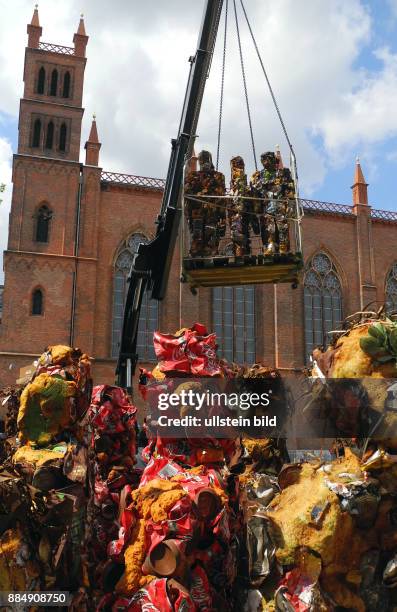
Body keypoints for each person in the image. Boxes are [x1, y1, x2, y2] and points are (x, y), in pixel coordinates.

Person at [184, 150, 226, 257]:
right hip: (199, 213)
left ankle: (208, 255)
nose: (203, 162)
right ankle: (197, 255)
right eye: (202, 160)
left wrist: (222, 218)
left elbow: (221, 197)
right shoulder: (193, 175)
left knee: (210, 237)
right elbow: (187, 193)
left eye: (205, 159)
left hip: (210, 214)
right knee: (198, 236)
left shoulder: (218, 176)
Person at [228, 156, 260, 256]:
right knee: (238, 234)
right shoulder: (233, 186)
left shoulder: (245, 185)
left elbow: (254, 204)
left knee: (244, 233)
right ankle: (239, 252)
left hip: (245, 212)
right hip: (236, 213)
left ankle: (243, 252)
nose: (237, 169)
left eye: (239, 165)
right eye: (234, 167)